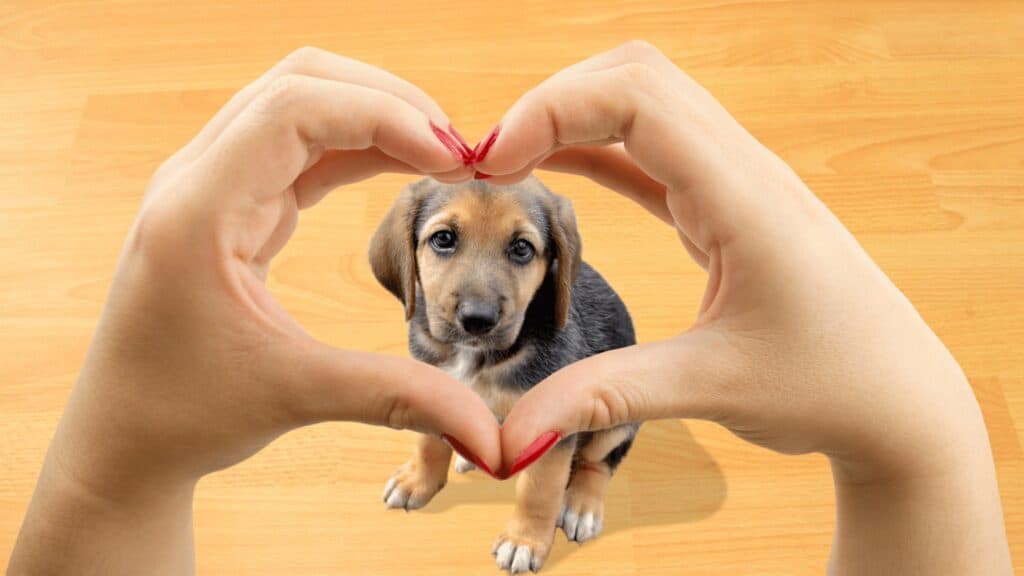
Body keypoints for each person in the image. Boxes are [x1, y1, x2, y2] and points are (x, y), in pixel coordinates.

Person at [8, 42, 1012, 575]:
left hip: (568, 432)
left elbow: (557, 383)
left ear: (557, 269)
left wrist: (557, 493)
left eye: (519, 255)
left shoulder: (553, 338)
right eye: (444, 245)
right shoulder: (424, 316)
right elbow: (428, 348)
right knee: (432, 410)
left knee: (587, 442)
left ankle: (578, 496)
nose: (477, 298)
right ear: (404, 254)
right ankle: (428, 462)